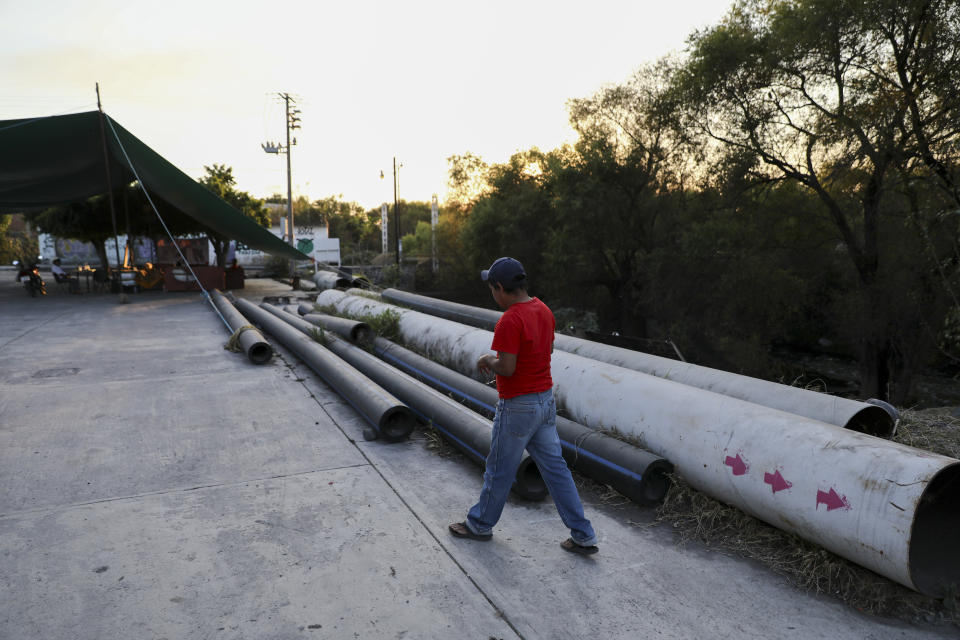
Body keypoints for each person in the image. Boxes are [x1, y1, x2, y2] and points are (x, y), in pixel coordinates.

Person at [449, 257, 599, 555]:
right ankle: (583, 535)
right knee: (556, 471)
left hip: (518, 407)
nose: (492, 295)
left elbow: (506, 368)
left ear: (501, 288)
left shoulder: (509, 320)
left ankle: (479, 524)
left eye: (492, 289)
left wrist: (486, 360)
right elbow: (548, 349)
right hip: (545, 402)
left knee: (499, 470)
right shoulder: (543, 310)